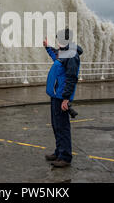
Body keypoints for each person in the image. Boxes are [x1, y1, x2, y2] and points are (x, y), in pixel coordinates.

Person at [43, 29, 83, 168]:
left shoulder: (72, 56)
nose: (57, 42)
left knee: (62, 127)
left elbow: (72, 78)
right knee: (56, 126)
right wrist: (47, 47)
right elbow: (56, 57)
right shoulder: (65, 53)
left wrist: (66, 99)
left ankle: (65, 157)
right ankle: (59, 152)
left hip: (61, 98)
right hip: (56, 96)